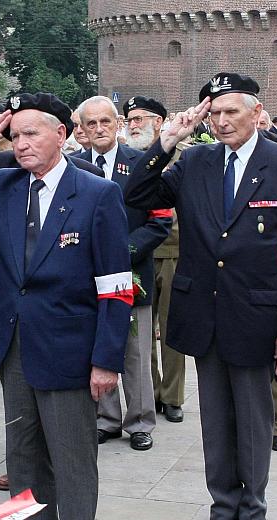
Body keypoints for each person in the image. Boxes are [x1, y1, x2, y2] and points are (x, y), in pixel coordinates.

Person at [0, 92, 132, 520]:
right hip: (14, 345)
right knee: (23, 458)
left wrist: (107, 359)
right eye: (15, 135)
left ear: (61, 135)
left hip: (70, 348)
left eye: (31, 133)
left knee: (72, 460)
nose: (21, 144)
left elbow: (115, 285)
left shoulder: (97, 193)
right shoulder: (4, 185)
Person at [124, 72, 277, 519]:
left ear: (256, 112)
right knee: (215, 422)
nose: (224, 121)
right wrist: (165, 142)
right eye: (215, 113)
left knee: (253, 421)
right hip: (204, 313)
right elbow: (136, 193)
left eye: (233, 111)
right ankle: (222, 504)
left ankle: (251, 507)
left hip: (258, 315)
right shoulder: (195, 162)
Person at [76, 96, 171, 451]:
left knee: (135, 352)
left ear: (118, 124)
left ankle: (141, 420)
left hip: (134, 274)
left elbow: (160, 220)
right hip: (86, 279)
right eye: (91, 124)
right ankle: (107, 418)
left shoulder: (141, 162)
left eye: (105, 122)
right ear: (82, 129)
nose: (99, 129)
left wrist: (121, 252)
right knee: (98, 348)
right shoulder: (72, 165)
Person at [122, 96, 187, 424]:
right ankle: (150, 392)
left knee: (173, 328)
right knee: (141, 334)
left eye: (140, 119)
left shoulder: (184, 158)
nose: (133, 125)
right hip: (142, 254)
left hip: (176, 252)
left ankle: (172, 396)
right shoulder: (130, 160)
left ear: (160, 122)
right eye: (130, 120)